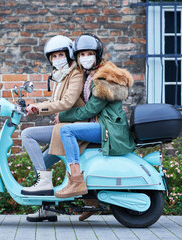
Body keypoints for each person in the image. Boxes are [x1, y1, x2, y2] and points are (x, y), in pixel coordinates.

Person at [53, 34, 136, 220]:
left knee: (67, 131)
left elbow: (89, 111)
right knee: (79, 149)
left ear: (97, 55)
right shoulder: (89, 75)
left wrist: (62, 116)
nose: (85, 57)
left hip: (110, 130)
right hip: (102, 126)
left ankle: (76, 181)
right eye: (81, 54)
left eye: (89, 53)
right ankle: (91, 202)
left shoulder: (104, 79)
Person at [20, 35, 87, 222]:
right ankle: (48, 209)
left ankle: (44, 184)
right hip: (62, 127)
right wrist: (36, 107)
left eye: (61, 54)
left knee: (28, 135)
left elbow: (67, 102)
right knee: (40, 162)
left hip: (72, 129)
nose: (57, 58)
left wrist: (40, 108)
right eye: (54, 56)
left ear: (69, 55)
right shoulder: (59, 77)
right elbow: (53, 102)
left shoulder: (75, 74)